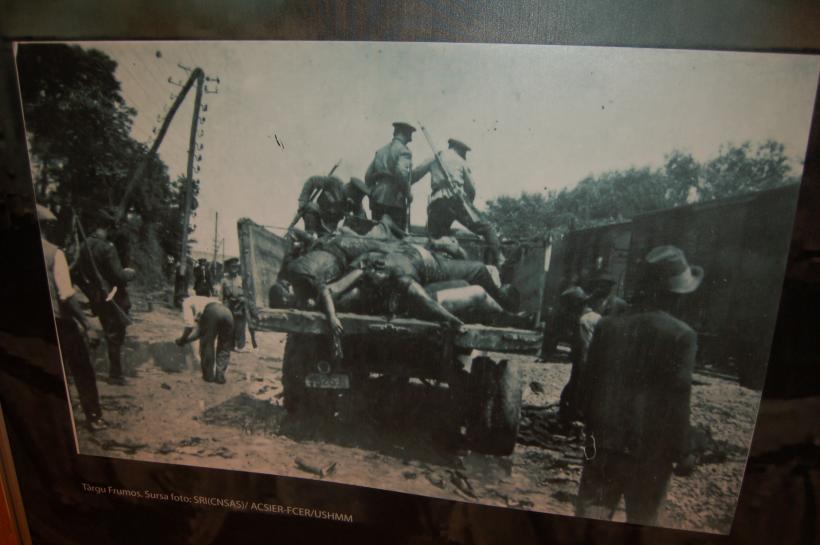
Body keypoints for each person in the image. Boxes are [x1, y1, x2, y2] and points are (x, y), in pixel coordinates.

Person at [575, 245, 701, 525]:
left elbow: (588, 386)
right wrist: (683, 450)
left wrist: (592, 431)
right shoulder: (681, 335)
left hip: (603, 445)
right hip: (650, 453)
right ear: (674, 294)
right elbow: (678, 399)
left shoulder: (608, 326)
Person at [38, 205, 107, 430]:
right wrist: (87, 324)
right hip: (58, 320)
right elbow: (66, 294)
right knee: (81, 367)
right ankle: (93, 416)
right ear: (45, 226)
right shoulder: (54, 253)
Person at [413, 138, 505, 266]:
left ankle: (433, 266)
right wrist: (469, 205)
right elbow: (471, 188)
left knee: (435, 238)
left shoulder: (436, 156)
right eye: (464, 152)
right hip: (457, 201)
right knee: (487, 228)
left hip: (437, 203)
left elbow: (415, 174)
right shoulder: (460, 161)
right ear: (458, 149)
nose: (465, 155)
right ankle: (499, 258)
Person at [74, 208, 135, 385]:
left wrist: (89, 291)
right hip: (114, 297)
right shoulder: (107, 248)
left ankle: (98, 370)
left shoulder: (84, 246)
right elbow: (119, 276)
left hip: (97, 297)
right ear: (104, 227)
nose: (109, 233)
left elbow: (76, 274)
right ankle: (115, 375)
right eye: (109, 229)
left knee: (108, 331)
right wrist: (130, 273)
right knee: (116, 335)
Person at [364, 122, 424, 231]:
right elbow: (401, 172)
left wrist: (373, 192)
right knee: (395, 236)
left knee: (377, 234)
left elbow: (368, 177)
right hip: (394, 201)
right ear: (405, 133)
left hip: (376, 200)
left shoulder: (380, 151)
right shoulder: (404, 151)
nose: (411, 136)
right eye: (410, 133)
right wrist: (407, 193)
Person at [556, 286, 601, 424]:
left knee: (576, 390)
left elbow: (584, 347)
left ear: (574, 306)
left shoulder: (583, 321)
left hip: (585, 363)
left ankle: (573, 417)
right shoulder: (598, 317)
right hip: (596, 362)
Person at [175, 294, 234, 384]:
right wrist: (186, 340)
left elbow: (189, 326)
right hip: (228, 313)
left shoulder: (186, 302)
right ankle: (220, 375)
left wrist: (182, 339)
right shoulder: (202, 301)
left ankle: (208, 376)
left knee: (207, 344)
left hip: (213, 311)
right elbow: (199, 332)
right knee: (224, 345)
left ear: (181, 300)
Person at [220, 257, 247, 352]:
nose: (234, 268)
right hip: (228, 305)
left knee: (240, 326)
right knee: (229, 325)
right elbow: (221, 295)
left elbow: (247, 293)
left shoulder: (241, 279)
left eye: (236, 266)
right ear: (228, 267)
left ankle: (240, 346)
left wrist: (244, 299)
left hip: (240, 305)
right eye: (232, 266)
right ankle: (230, 345)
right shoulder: (224, 280)